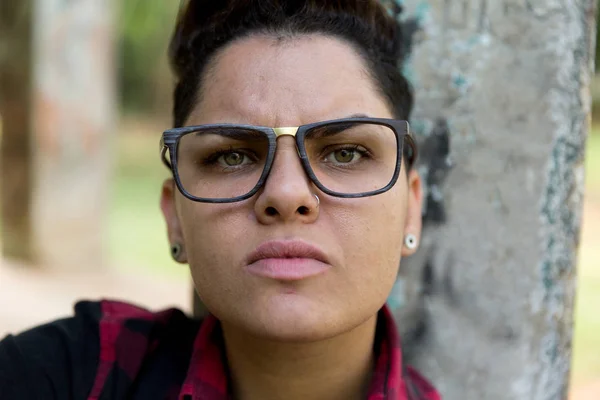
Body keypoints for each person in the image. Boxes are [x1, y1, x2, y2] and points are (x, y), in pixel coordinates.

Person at [0, 1, 441, 399]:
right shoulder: (67, 376)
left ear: (411, 209)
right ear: (174, 217)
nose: (287, 194)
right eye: (232, 156)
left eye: (346, 153)